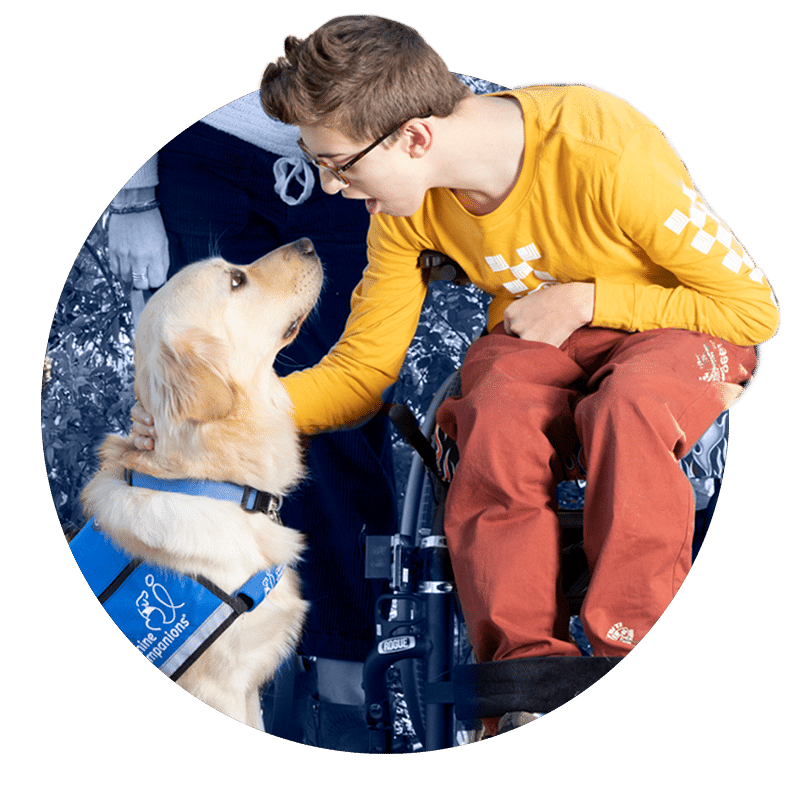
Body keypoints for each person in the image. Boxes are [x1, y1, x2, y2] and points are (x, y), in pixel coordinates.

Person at [250, 15, 780, 737]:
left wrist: (592, 298)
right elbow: (360, 371)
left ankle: (631, 651)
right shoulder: (405, 213)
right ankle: (526, 680)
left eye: (339, 163)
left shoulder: (601, 149)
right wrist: (230, 408)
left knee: (627, 407)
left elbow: (752, 309)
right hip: (540, 340)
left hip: (679, 327)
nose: (330, 186)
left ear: (414, 137)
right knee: (492, 412)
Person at [118, 75, 505, 748]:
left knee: (342, 429)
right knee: (197, 430)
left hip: (352, 146)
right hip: (206, 149)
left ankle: (352, 689)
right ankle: (225, 678)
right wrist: (131, 195)